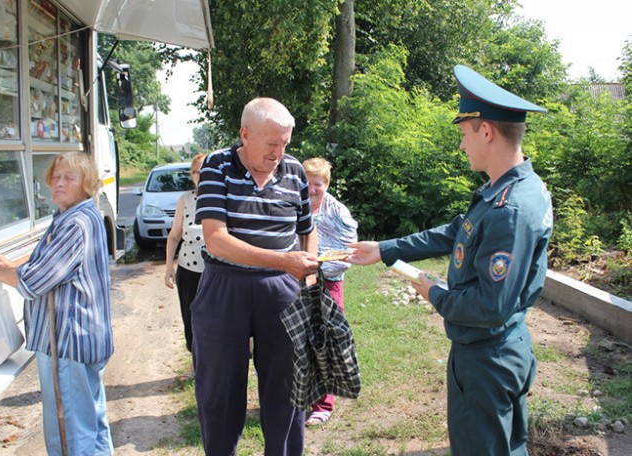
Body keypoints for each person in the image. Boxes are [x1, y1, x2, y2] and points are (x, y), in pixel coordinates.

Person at [347, 65, 553, 456]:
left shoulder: (509, 208)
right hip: (503, 347)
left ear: (487, 131)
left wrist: (435, 292)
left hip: (486, 358)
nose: (462, 145)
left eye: (464, 134)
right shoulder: (515, 189)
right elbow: (457, 231)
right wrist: (386, 249)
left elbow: (489, 306)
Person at [192, 97, 320, 455]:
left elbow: (308, 228)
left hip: (283, 288)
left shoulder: (294, 171)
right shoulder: (217, 165)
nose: (279, 152)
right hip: (224, 286)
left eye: (285, 143)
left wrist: (306, 277)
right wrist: (284, 262)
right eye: (272, 143)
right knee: (219, 390)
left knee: (287, 389)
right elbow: (216, 240)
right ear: (245, 134)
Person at [0, 152, 114, 456]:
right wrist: (12, 264)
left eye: (70, 177)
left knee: (70, 432)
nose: (60, 182)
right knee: (91, 421)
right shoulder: (78, 215)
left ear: (87, 183)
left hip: (67, 341)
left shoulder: (75, 223)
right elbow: (47, 262)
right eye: (56, 176)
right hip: (83, 339)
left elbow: (35, 281)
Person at [301, 157, 358, 426]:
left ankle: (323, 405)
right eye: (307, 183)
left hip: (327, 284)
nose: (311, 189)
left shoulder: (338, 212)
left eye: (317, 184)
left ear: (327, 184)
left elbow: (350, 252)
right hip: (294, 281)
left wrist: (318, 267)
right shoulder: (292, 206)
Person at [164, 152, 207, 357]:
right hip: (189, 270)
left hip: (216, 272)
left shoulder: (225, 198)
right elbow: (174, 236)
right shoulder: (186, 200)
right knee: (190, 319)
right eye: (195, 171)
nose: (199, 175)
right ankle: (196, 361)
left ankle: (214, 362)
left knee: (216, 320)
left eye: (204, 170)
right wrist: (168, 268)